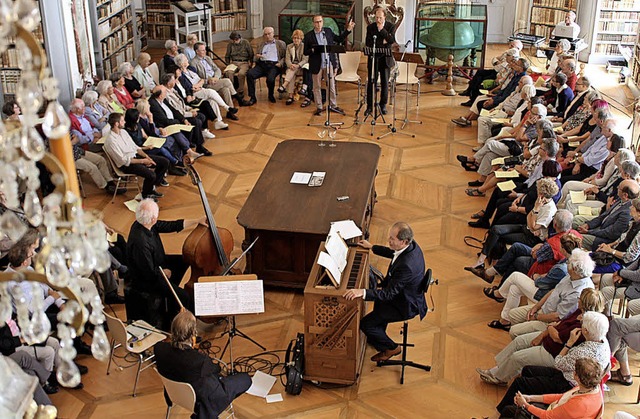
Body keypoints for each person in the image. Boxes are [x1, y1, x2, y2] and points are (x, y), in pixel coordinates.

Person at [477, 287, 604, 387]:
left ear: (585, 303)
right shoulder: (579, 312)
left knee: (517, 357)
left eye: (580, 299)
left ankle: (499, 378)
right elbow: (559, 324)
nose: (578, 300)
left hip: (553, 352)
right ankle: (500, 368)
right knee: (519, 341)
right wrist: (544, 334)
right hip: (548, 338)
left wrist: (549, 329)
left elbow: (557, 337)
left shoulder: (586, 326)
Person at [497, 311, 610, 415]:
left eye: (582, 324)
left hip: (566, 383)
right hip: (571, 377)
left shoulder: (582, 352)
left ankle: (505, 411)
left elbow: (558, 363)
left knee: (520, 382)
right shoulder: (604, 343)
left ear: (585, 331)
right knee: (527, 370)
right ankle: (517, 404)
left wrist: (569, 343)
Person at [344, 222, 426, 362]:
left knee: (366, 324)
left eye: (392, 239)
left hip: (404, 305)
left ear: (404, 241)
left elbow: (388, 294)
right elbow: (394, 254)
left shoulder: (407, 266)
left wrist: (362, 292)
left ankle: (392, 347)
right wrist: (372, 247)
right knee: (378, 308)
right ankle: (378, 338)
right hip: (400, 295)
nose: (389, 241)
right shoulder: (411, 246)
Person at [155, 310, 251, 418]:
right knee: (245, 379)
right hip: (198, 399)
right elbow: (217, 369)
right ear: (193, 334)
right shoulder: (199, 361)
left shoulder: (159, 348)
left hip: (175, 393)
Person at [126, 200, 205, 324]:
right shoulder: (140, 243)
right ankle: (181, 324)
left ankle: (171, 296)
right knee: (184, 296)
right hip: (149, 280)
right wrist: (164, 273)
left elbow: (169, 226)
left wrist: (196, 221)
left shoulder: (143, 223)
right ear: (152, 219)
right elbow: (148, 273)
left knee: (183, 260)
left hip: (158, 264)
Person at [502, 358, 604, 419]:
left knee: (510, 411)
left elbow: (547, 416)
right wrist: (530, 398)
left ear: (577, 376)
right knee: (510, 411)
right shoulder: (591, 388)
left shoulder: (580, 403)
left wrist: (525, 404)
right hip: (555, 410)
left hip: (551, 414)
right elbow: (561, 397)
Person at [103, 112, 169, 200]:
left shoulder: (123, 132)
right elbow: (124, 160)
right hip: (127, 165)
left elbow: (135, 148)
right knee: (151, 175)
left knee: (164, 162)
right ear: (116, 124)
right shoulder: (111, 141)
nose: (125, 122)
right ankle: (145, 195)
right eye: (122, 121)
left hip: (135, 157)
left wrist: (147, 157)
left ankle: (151, 187)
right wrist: (143, 161)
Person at [303, 16, 355, 115]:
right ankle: (319, 107)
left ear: (323, 22)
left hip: (328, 63)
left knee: (331, 85)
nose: (318, 24)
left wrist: (348, 30)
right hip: (316, 64)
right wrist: (313, 50)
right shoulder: (309, 36)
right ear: (313, 23)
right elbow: (305, 52)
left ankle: (333, 105)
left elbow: (339, 39)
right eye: (316, 22)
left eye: (320, 21)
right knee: (316, 86)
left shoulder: (328, 31)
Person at [364, 7, 396, 116]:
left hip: (385, 59)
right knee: (371, 82)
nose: (378, 20)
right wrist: (382, 41)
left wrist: (382, 30)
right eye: (376, 17)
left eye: (380, 18)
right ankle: (369, 106)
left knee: (384, 82)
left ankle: (383, 105)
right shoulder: (370, 27)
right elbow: (368, 42)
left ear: (385, 17)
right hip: (373, 58)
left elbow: (391, 41)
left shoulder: (390, 26)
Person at [190, 42, 240, 109]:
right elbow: (196, 79)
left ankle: (230, 110)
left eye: (205, 49)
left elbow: (217, 69)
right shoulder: (193, 63)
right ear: (197, 51)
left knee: (226, 89)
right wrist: (208, 80)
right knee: (227, 81)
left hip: (216, 80)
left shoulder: (207, 58)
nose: (205, 51)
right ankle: (238, 98)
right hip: (207, 84)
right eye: (202, 50)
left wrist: (216, 77)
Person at [246, 27, 287, 105]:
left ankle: (270, 95)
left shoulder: (280, 44)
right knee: (249, 74)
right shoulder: (260, 44)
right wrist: (257, 57)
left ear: (273, 34)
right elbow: (255, 57)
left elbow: (285, 56)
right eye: (265, 34)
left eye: (269, 34)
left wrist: (280, 63)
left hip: (274, 65)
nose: (267, 36)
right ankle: (252, 97)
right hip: (262, 64)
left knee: (270, 79)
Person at [278, 29, 308, 105]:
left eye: (297, 38)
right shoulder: (289, 46)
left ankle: (284, 86)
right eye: (294, 38)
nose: (295, 40)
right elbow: (287, 58)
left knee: (291, 72)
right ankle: (290, 96)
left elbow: (305, 59)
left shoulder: (304, 47)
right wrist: (290, 65)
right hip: (291, 67)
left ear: (301, 39)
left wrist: (297, 65)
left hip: (301, 67)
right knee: (291, 73)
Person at [224, 31, 253, 104]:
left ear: (240, 38)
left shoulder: (246, 42)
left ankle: (240, 91)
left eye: (236, 39)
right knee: (229, 72)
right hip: (234, 62)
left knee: (241, 73)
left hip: (244, 62)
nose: (234, 41)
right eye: (233, 40)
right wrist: (228, 64)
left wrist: (251, 64)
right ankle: (232, 90)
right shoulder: (230, 45)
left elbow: (251, 53)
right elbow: (227, 56)